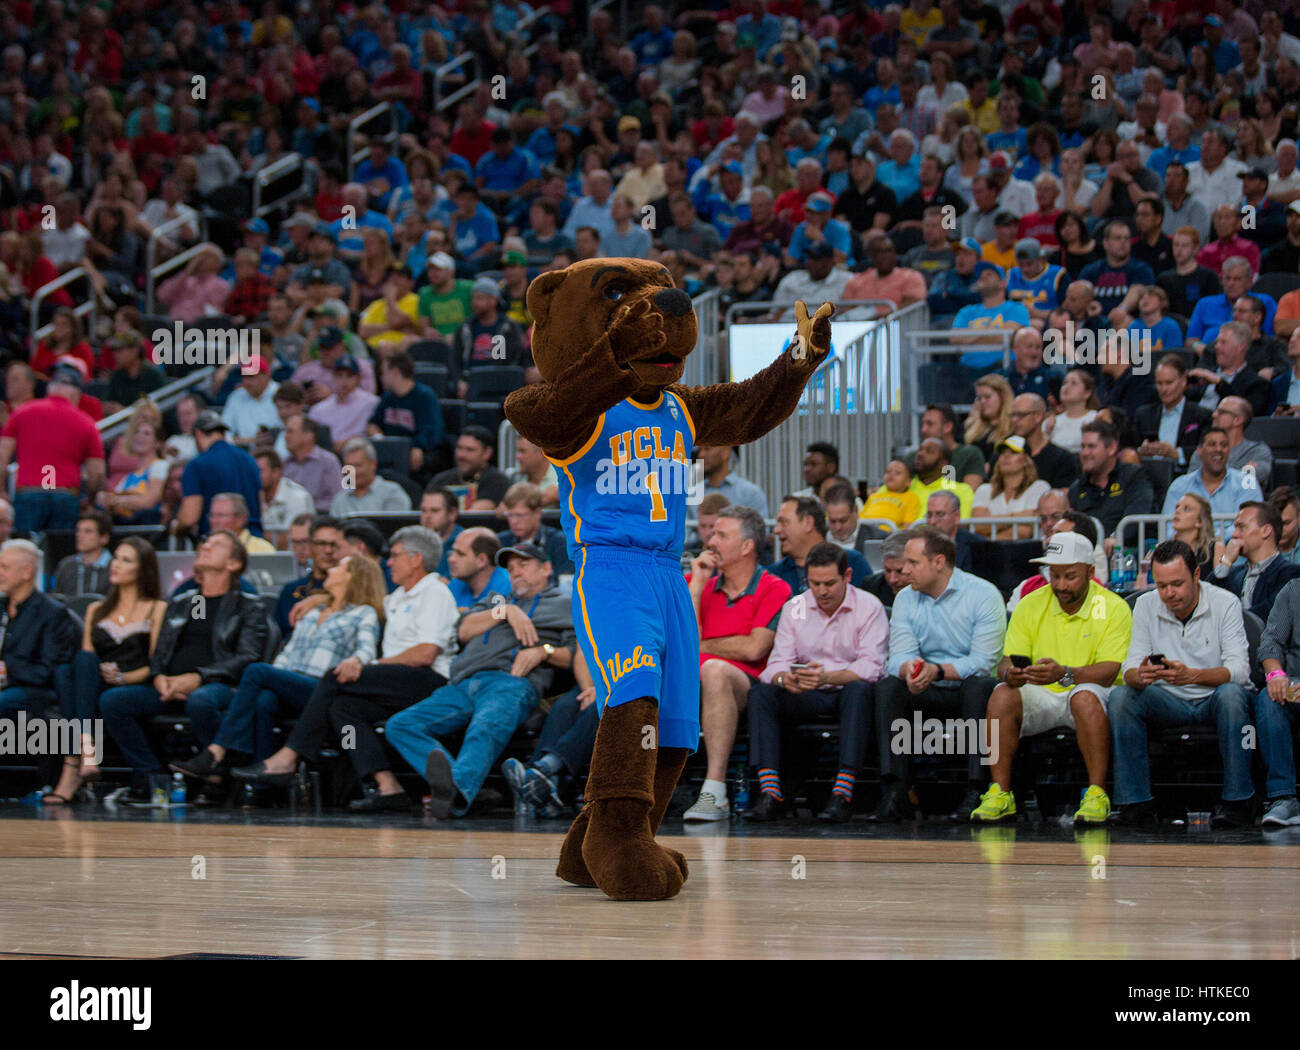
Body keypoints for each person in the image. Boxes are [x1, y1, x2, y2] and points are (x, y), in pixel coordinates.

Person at [233, 528, 459, 802]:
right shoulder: (399, 596)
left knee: (335, 676)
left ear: (416, 559)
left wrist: (371, 665)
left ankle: (288, 757)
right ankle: (388, 786)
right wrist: (321, 598)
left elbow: (425, 653)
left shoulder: (433, 592)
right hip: (396, 680)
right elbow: (365, 599)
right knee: (344, 708)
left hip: (427, 680)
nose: (389, 562)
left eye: (395, 556)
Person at [384, 541, 575, 816]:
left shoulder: (566, 604)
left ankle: (456, 793)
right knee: (401, 725)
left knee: (484, 726)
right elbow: (464, 630)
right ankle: (458, 789)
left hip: (509, 682)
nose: (516, 572)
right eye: (510, 568)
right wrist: (506, 611)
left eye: (524, 565)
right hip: (463, 682)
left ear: (546, 568)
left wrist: (543, 651)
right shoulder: (498, 599)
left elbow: (575, 655)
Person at [171, 554, 385, 785]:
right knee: (265, 699)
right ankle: (263, 780)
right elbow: (286, 654)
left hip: (323, 687)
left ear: (354, 577)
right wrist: (275, 677)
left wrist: (354, 660)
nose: (330, 570)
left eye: (338, 568)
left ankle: (219, 751)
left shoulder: (363, 613)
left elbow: (367, 651)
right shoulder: (311, 613)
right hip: (291, 681)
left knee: (256, 671)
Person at [971, 531, 1131, 825]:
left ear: (1090, 572)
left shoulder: (1113, 607)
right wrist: (1013, 674)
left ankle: (1097, 794)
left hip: (1092, 690)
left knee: (1083, 697)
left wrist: (1066, 673)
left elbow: (1111, 670)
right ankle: (1001, 794)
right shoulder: (1030, 604)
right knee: (1002, 693)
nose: (1060, 584)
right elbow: (1006, 661)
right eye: (1054, 575)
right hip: (1041, 691)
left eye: (1070, 576)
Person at [99, 532, 268, 799]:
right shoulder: (182, 602)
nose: (206, 545)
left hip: (221, 686)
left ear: (234, 564)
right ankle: (152, 776)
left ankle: (221, 772)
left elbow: (249, 658)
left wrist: (199, 677)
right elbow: (161, 651)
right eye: (206, 543)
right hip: (171, 686)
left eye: (217, 545)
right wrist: (159, 678)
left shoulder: (248, 606)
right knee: (114, 701)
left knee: (200, 701)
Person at [1109, 539, 1254, 827]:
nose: (1169, 593)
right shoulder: (1145, 605)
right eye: (1161, 585)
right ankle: (1135, 802)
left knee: (1233, 696)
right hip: (1167, 699)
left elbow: (1240, 670)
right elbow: (1130, 667)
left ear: (1197, 575)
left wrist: (1193, 675)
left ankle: (1238, 802)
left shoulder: (1225, 603)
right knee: (1122, 697)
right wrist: (1141, 675)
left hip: (1214, 696)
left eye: (1177, 583)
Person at [744, 542, 888, 823]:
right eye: (814, 583)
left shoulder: (869, 607)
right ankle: (770, 792)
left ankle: (842, 793)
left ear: (847, 576)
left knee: (859, 690)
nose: (821, 591)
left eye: (829, 583)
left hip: (847, 691)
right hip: (805, 691)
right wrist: (786, 679)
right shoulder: (795, 607)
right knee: (761, 694)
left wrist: (828, 677)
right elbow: (776, 664)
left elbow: (873, 667)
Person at [876, 526, 1005, 823]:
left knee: (979, 686)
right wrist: (912, 670)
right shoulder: (907, 598)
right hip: (927, 687)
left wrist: (938, 671)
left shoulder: (983, 594)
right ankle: (896, 790)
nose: (904, 570)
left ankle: (977, 788)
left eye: (912, 563)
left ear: (938, 562)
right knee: (889, 688)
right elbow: (898, 657)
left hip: (969, 688)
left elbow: (985, 662)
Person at [684, 505, 792, 822]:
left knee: (714, 670)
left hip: (746, 686)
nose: (710, 540)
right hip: (690, 682)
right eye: (711, 532)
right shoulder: (694, 581)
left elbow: (754, 648)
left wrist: (703, 647)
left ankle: (714, 792)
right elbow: (683, 645)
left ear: (747, 547)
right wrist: (697, 590)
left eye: (721, 534)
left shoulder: (775, 587)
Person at [45, 537, 166, 805]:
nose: (116, 565)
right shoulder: (95, 609)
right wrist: (104, 674)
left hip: (137, 681)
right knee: (71, 669)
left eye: (126, 560)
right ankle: (86, 748)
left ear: (142, 569)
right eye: (116, 558)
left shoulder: (158, 608)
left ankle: (73, 764)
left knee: (75, 679)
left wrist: (123, 677)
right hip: (97, 682)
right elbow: (88, 659)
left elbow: (156, 664)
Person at [0, 368, 105, 533]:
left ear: (50, 389)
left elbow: (2, 457)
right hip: (65, 497)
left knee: (25, 552)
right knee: (59, 553)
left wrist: (2, 491)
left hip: (29, 495)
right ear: (76, 395)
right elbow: (96, 473)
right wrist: (90, 501)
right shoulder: (86, 422)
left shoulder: (22, 412)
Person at [0, 539, 81, 718]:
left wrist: (7, 671)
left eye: (4, 567)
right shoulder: (1, 607)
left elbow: (48, 670)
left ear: (27, 572)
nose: (0, 573)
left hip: (33, 690)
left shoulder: (52, 613)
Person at [1253, 576, 1300, 826]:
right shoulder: (1293, 591)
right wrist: (1276, 675)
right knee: (1268, 699)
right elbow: (1270, 642)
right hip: (1294, 687)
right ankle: (1284, 798)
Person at [174, 411, 264, 539]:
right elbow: (260, 503)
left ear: (198, 434)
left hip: (219, 543)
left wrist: (177, 528)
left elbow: (190, 517)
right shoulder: (250, 460)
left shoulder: (197, 464)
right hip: (253, 541)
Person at [1208, 501, 1300, 623]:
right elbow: (1205, 601)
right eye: (1235, 527)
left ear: (1266, 531)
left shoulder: (1290, 574)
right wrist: (1226, 560)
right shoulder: (1232, 574)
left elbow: (1271, 615)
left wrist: (1227, 620)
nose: (1234, 534)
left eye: (1241, 527)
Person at [1067, 420, 1155, 536]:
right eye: (1082, 447)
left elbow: (1136, 518)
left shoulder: (1134, 476)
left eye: (1091, 446)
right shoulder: (1076, 489)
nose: (1084, 453)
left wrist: (1116, 538)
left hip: (1127, 549)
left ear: (1112, 448)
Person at [771, 495, 872, 593]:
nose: (776, 530)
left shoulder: (852, 562)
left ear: (808, 523)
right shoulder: (773, 574)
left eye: (784, 522)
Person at [1136, 354, 1214, 467]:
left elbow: (1206, 450)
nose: (1164, 389)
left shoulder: (1202, 415)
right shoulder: (1144, 415)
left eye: (1169, 383)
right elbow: (1130, 449)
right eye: (1159, 383)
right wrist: (1141, 451)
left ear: (1183, 382)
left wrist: (1176, 453)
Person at [1163, 428, 1257, 521]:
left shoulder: (1246, 483)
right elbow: (1169, 527)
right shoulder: (1179, 485)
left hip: (1233, 537)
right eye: (1212, 444)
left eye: (1224, 445)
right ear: (1199, 451)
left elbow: (1250, 523)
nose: (1219, 449)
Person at [274, 515, 344, 635]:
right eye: (321, 544)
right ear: (310, 546)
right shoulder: (291, 591)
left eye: (334, 545)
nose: (328, 550)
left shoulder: (350, 591)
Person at [1187, 321, 1271, 418]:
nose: (1216, 347)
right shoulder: (1203, 376)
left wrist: (1219, 383)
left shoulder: (1257, 384)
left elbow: (1246, 413)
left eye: (1223, 342)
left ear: (1241, 347)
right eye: (1217, 342)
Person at [971, 435, 1049, 537]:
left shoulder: (1039, 487)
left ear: (1026, 460)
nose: (1006, 456)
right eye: (1002, 453)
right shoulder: (984, 489)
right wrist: (1019, 517)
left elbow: (1025, 532)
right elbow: (977, 526)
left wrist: (988, 535)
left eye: (1014, 452)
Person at [1186, 398, 1272, 490]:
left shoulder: (1257, 451)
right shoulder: (1203, 451)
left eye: (1221, 412)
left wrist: (1211, 478)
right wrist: (1240, 473)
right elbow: (1191, 485)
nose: (1214, 415)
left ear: (1237, 420)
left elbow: (1247, 484)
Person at [496, 483, 573, 576]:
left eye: (520, 515)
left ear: (537, 513)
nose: (514, 521)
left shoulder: (559, 542)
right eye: (510, 515)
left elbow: (565, 584)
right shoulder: (500, 542)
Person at [310, 353, 381, 450]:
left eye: (349, 376)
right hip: (329, 453)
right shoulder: (319, 409)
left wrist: (347, 442)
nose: (344, 381)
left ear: (358, 378)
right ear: (333, 377)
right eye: (340, 376)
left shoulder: (372, 403)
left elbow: (374, 433)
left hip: (359, 452)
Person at [430, 426, 511, 510]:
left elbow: (477, 514)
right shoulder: (440, 480)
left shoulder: (497, 481)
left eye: (470, 450)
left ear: (487, 453)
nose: (462, 455)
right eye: (459, 448)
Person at [329, 437, 413, 517]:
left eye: (358, 465)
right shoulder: (339, 500)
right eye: (349, 466)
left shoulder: (393, 493)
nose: (353, 472)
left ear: (373, 464)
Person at [1007, 394, 1077, 489]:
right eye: (1013, 415)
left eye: (1021, 415)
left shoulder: (1061, 459)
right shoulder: (1005, 453)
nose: (1015, 420)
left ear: (1038, 416)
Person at [282, 413, 343, 514]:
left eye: (290, 432)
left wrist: (306, 506)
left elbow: (338, 499)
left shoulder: (328, 462)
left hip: (319, 517)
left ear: (308, 436)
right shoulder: (284, 463)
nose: (286, 437)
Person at [256, 449, 315, 550]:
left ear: (276, 473)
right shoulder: (252, 495)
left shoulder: (298, 497)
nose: (254, 475)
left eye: (259, 471)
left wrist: (257, 537)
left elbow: (291, 541)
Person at [918, 402, 985, 488]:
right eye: (923, 424)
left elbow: (970, 493)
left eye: (930, 424)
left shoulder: (969, 455)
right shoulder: (916, 456)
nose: (923, 430)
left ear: (948, 427)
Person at [446, 526, 510, 611]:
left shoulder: (506, 585)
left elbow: (497, 619)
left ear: (481, 560)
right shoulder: (456, 584)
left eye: (460, 554)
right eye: (453, 552)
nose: (451, 559)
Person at [52, 509, 113, 598]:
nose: (80, 535)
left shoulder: (115, 566)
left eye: (88, 531)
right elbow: (56, 598)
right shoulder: (66, 565)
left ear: (104, 537)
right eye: (78, 530)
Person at [909, 438, 975, 518]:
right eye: (920, 450)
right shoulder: (900, 486)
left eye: (929, 452)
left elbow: (961, 524)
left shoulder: (961, 490)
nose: (920, 454)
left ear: (943, 463)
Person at [696, 444, 769, 515]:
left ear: (726, 452)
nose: (701, 455)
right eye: (699, 449)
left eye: (707, 449)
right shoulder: (692, 494)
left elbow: (759, 526)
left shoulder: (751, 494)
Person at [860, 459, 922, 528]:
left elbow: (908, 524)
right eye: (888, 472)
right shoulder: (874, 496)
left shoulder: (911, 498)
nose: (891, 474)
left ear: (908, 482)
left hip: (886, 534)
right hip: (864, 528)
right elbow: (860, 517)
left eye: (898, 473)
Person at [861, 528, 912, 609]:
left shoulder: (931, 591)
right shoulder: (871, 588)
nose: (892, 580)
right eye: (888, 570)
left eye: (900, 571)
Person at [209, 492, 276, 555]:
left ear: (240, 519)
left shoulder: (263, 550)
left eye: (220, 515)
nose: (214, 521)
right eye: (212, 515)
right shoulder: (205, 548)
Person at [1171, 492, 1218, 578]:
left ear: (1199, 521)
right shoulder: (1165, 549)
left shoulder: (1216, 548)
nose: (1177, 511)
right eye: (1177, 507)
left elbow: (1220, 585)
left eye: (1187, 509)